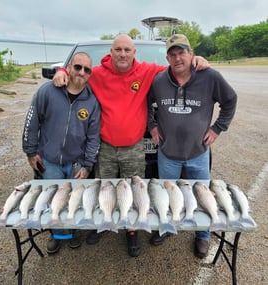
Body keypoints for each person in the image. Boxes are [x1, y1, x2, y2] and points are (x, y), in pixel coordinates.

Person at [53, 34, 209, 257]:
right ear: (111, 52)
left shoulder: (146, 72)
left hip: (135, 147)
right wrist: (60, 72)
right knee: (105, 187)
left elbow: (177, 68)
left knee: (135, 191)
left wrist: (198, 60)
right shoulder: (96, 74)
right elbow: (75, 75)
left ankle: (132, 231)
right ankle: (106, 225)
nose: (123, 54)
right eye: (118, 50)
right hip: (105, 146)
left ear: (134, 52)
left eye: (127, 50)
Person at [147, 34, 237, 258]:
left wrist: (217, 128)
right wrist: (152, 126)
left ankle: (202, 235)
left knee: (202, 194)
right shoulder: (158, 81)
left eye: (182, 53)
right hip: (168, 153)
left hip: (198, 153)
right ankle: (168, 227)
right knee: (167, 195)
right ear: (167, 58)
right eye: (173, 54)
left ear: (191, 54)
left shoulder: (210, 77)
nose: (178, 58)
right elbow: (146, 105)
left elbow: (230, 100)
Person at [22, 52, 101, 254]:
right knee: (54, 200)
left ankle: (72, 232)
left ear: (90, 74)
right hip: (50, 162)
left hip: (76, 163)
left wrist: (87, 165)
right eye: (77, 67)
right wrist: (31, 152)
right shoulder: (47, 91)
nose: (81, 72)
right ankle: (56, 234)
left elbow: (93, 137)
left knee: (75, 199)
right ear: (69, 67)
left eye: (86, 70)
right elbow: (32, 123)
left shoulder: (92, 101)